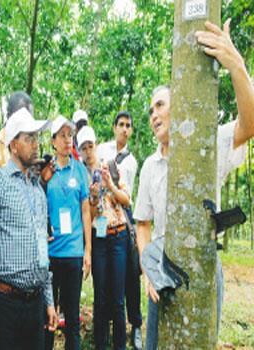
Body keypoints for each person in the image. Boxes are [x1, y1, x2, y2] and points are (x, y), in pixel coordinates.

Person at [134, 20, 254, 350]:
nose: (153, 115)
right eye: (149, 110)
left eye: (159, 105)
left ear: (181, 102)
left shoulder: (209, 144)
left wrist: (236, 66)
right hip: (161, 270)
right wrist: (146, 266)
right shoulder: (148, 166)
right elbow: (142, 224)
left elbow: (250, 123)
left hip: (203, 266)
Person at [0, 107, 56, 350]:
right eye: (29, 138)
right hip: (5, 305)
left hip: (35, 304)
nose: (36, 144)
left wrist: (48, 301)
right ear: (13, 145)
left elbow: (43, 251)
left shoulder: (38, 191)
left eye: (37, 137)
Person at [78, 126, 131, 350]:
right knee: (100, 299)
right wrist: (92, 196)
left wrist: (109, 185)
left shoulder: (110, 166)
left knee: (118, 300)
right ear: (79, 151)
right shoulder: (80, 174)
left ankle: (119, 345)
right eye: (83, 148)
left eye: (91, 146)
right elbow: (89, 214)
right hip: (98, 240)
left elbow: (126, 200)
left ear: (96, 145)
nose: (88, 151)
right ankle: (101, 344)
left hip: (118, 236)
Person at [45, 115, 91, 350]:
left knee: (72, 319)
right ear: (53, 141)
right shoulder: (46, 172)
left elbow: (85, 211)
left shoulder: (80, 170)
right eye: (62, 136)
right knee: (48, 318)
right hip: (50, 254)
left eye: (69, 135)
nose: (67, 140)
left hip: (73, 252)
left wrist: (88, 252)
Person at [97, 111, 142, 349]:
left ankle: (133, 328)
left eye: (128, 125)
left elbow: (127, 199)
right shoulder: (101, 150)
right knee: (103, 290)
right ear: (114, 127)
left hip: (123, 221)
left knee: (128, 281)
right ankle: (101, 339)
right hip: (100, 224)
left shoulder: (132, 161)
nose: (124, 129)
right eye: (121, 124)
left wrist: (111, 186)